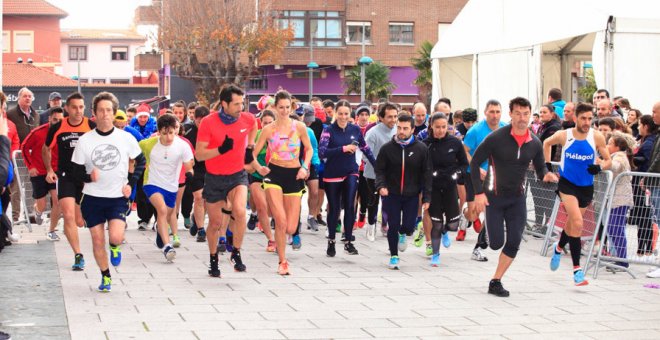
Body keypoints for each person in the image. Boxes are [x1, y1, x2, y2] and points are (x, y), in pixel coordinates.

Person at [471, 97, 552, 297]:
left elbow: (540, 166)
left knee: (514, 241)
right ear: (511, 114)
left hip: (517, 199)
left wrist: (546, 175)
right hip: (494, 198)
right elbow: (474, 163)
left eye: (526, 114)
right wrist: (479, 193)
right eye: (518, 113)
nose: (522, 118)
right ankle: (488, 231)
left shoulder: (534, 142)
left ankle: (496, 281)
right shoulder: (496, 138)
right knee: (496, 243)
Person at [71, 92, 145, 292]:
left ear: (114, 113)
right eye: (101, 110)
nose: (105, 114)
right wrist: (88, 178)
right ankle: (105, 276)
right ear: (93, 113)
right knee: (97, 239)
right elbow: (75, 171)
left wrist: (131, 182)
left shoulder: (126, 137)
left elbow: (142, 161)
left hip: (117, 198)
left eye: (109, 110)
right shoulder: (85, 140)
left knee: (115, 237)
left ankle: (114, 247)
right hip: (92, 198)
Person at [196, 84, 262, 277]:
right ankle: (213, 258)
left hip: (237, 175)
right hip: (215, 177)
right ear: (224, 104)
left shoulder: (246, 118)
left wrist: (250, 146)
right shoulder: (209, 122)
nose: (241, 108)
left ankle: (236, 253)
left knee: (240, 211)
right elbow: (199, 155)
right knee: (215, 223)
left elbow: (253, 125)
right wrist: (220, 150)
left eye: (242, 103)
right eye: (236, 104)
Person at [544, 102, 611, 286]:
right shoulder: (564, 135)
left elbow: (608, 161)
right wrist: (547, 166)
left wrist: (599, 166)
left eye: (590, 118)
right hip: (567, 185)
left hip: (586, 187)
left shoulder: (596, 137)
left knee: (572, 224)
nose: (587, 122)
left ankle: (558, 247)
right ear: (575, 118)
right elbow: (546, 143)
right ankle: (577, 270)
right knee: (578, 223)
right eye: (583, 118)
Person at [43, 92, 96, 270]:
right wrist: (50, 169)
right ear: (67, 108)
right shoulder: (58, 126)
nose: (78, 111)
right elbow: (46, 149)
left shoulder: (91, 125)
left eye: (81, 107)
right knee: (68, 215)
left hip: (85, 177)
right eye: (74, 107)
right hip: (65, 176)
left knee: (80, 221)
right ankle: (78, 255)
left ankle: (80, 224)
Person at [319, 100, 376, 257]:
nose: (343, 117)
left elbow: (366, 148)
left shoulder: (355, 129)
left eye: (346, 114)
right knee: (335, 208)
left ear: (350, 114)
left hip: (351, 171)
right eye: (341, 114)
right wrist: (343, 149)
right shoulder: (328, 130)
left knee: (350, 205)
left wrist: (377, 166)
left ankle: (348, 242)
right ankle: (331, 240)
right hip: (332, 173)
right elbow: (322, 152)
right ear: (336, 114)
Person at [375, 114, 431, 269]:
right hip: (391, 194)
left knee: (408, 227)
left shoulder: (421, 149)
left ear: (413, 130)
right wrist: (381, 186)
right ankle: (394, 256)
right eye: (399, 127)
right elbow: (379, 170)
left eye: (405, 128)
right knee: (392, 225)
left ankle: (403, 233)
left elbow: (426, 174)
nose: (401, 131)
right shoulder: (387, 148)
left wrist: (426, 197)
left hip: (412, 195)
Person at [139, 114, 194, 262]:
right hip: (151, 183)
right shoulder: (148, 144)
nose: (168, 137)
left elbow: (189, 164)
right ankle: (167, 246)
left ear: (176, 130)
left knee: (169, 214)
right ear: (158, 131)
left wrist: (190, 174)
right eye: (164, 133)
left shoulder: (182, 145)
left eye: (171, 132)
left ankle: (160, 231)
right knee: (162, 210)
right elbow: (133, 154)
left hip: (171, 186)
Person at [461, 100, 506, 262]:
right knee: (474, 215)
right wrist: (477, 167)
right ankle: (465, 213)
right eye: (491, 112)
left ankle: (479, 247)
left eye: (497, 112)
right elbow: (464, 151)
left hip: (495, 176)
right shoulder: (475, 131)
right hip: (474, 174)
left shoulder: (505, 128)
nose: (495, 115)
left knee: (493, 211)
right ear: (485, 113)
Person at [423, 113, 468, 266]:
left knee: (453, 225)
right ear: (431, 127)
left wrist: (458, 172)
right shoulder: (425, 144)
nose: (441, 130)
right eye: (437, 127)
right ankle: (436, 255)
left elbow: (464, 163)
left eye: (444, 127)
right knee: (435, 223)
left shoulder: (455, 143)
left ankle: (444, 231)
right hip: (433, 188)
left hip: (450, 186)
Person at [21, 107, 64, 240]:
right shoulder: (37, 132)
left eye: (60, 120)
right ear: (49, 118)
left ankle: (51, 231)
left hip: (56, 172)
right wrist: (30, 166)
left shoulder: (64, 133)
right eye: (54, 119)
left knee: (57, 201)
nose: (57, 122)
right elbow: (24, 147)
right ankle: (38, 211)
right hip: (39, 172)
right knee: (41, 204)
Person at [363, 102, 398, 240]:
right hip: (373, 174)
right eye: (389, 117)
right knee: (373, 201)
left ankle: (388, 225)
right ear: (381, 117)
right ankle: (371, 226)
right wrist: (381, 166)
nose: (393, 120)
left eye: (395, 116)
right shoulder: (372, 133)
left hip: (393, 174)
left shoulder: (398, 131)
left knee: (391, 201)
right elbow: (365, 155)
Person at [602, 132, 634, 271]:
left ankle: (622, 260)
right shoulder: (615, 156)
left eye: (610, 143)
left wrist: (603, 164)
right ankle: (620, 259)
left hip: (621, 199)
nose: (607, 145)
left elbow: (615, 166)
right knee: (612, 228)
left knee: (616, 228)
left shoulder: (619, 157)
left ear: (617, 147)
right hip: (617, 198)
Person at [247, 110, 277, 251]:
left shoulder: (281, 136)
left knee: (274, 209)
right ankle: (271, 240)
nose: (267, 126)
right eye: (265, 123)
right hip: (257, 175)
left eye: (270, 123)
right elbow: (249, 156)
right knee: (261, 207)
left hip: (276, 176)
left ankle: (282, 234)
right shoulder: (257, 136)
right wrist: (257, 168)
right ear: (261, 123)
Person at [183, 106, 210, 242]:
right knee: (199, 197)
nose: (202, 125)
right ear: (194, 119)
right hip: (194, 168)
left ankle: (196, 218)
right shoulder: (187, 130)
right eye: (200, 122)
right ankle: (201, 230)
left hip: (210, 167)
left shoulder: (213, 130)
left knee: (207, 200)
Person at [631, 115, 657, 257]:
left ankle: (645, 248)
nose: (638, 128)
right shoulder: (644, 140)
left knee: (644, 216)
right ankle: (642, 248)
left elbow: (647, 162)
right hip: (642, 183)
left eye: (640, 125)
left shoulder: (648, 143)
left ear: (646, 126)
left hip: (643, 184)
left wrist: (632, 159)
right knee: (643, 216)